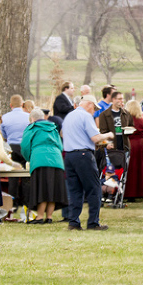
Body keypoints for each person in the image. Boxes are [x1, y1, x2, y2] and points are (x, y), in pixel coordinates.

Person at [62, 95, 114, 231]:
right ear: (90, 104)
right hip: (84, 155)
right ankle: (93, 223)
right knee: (94, 188)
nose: (94, 111)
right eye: (95, 108)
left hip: (69, 155)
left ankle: (73, 222)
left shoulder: (69, 116)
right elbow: (95, 137)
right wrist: (108, 135)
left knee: (75, 190)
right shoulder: (85, 116)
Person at [21, 109, 68, 224]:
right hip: (56, 160)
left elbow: (25, 146)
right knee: (53, 189)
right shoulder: (53, 128)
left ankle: (40, 217)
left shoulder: (32, 128)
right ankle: (49, 217)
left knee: (42, 189)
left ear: (32, 118)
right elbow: (60, 146)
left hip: (40, 159)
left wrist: (30, 158)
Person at [1, 95, 31, 211]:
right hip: (24, 146)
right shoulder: (28, 117)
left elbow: (4, 135)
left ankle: (12, 203)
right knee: (26, 174)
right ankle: (26, 201)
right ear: (22, 104)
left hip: (11, 146)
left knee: (12, 176)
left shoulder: (5, 118)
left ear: (10, 105)